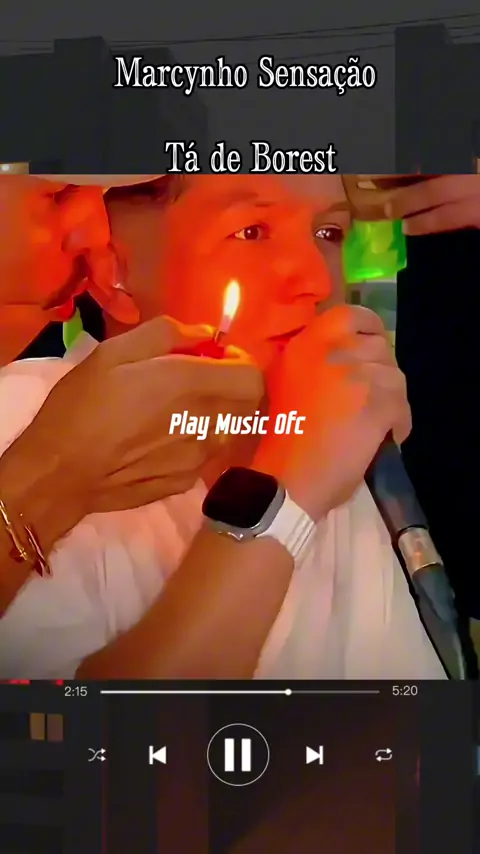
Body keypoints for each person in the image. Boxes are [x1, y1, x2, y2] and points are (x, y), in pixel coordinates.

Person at [0, 173, 445, 680]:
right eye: (251, 232)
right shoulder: (27, 420)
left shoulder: (338, 437)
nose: (317, 282)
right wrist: (289, 489)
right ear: (111, 271)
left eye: (329, 233)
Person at [0, 174, 263, 613]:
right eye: (59, 193)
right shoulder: (22, 408)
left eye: (330, 232)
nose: (97, 238)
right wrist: (49, 477)